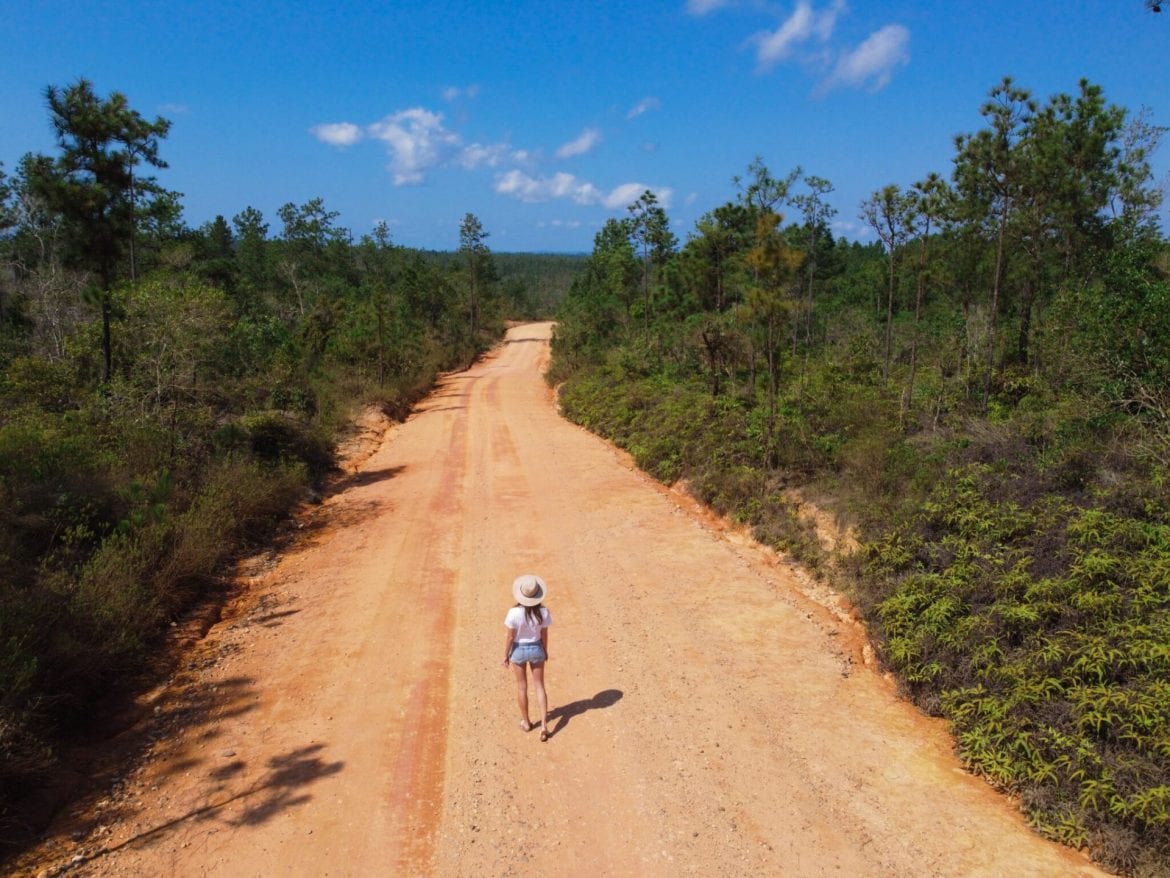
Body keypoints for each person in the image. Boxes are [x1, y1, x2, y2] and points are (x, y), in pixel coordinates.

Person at [503, 573, 552, 742]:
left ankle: (526, 723)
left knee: (522, 687)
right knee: (539, 686)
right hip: (537, 648)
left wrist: (505, 655)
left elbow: (510, 637)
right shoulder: (543, 612)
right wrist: (545, 650)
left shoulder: (513, 613)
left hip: (518, 650)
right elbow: (544, 634)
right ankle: (544, 726)